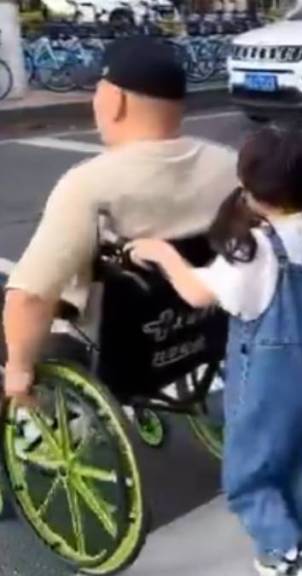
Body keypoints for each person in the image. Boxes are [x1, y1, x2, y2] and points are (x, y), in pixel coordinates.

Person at [128, 126, 302, 576]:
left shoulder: (256, 252)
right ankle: (301, 546)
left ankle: (282, 553)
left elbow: (198, 293)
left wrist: (161, 254)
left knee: (248, 475)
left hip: (273, 380)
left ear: (252, 190)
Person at [2, 37, 236, 405]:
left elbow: (31, 297)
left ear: (115, 101)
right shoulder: (229, 165)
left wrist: (18, 370)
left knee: (15, 311)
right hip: (204, 332)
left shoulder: (90, 185)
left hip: (117, 350)